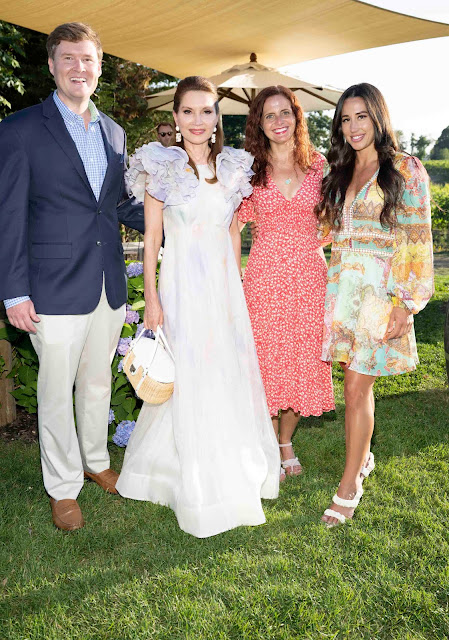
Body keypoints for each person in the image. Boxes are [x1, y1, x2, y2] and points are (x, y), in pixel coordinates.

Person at [116, 76, 280, 538]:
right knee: (188, 372)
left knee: (223, 368)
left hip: (222, 286)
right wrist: (151, 298)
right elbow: (151, 240)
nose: (197, 120)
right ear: (175, 117)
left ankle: (228, 459)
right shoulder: (161, 166)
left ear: (216, 117)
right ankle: (185, 471)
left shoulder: (232, 167)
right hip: (181, 285)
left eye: (206, 111)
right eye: (188, 111)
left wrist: (237, 285)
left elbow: (233, 232)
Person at [0, 22, 144, 531]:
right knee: (57, 391)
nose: (78, 68)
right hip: (51, 288)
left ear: (99, 67)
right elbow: (8, 216)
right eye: (68, 58)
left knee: (97, 380)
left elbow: (117, 205)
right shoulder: (18, 130)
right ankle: (62, 486)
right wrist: (13, 292)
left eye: (87, 59)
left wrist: (179, 214)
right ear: (51, 65)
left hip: (107, 283)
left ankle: (96, 461)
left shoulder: (114, 132)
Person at [315, 83, 433, 527]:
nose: (353, 127)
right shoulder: (342, 170)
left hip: (380, 292)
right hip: (344, 288)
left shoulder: (404, 168)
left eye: (361, 116)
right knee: (354, 383)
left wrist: (405, 302)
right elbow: (327, 232)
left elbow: (417, 236)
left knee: (354, 387)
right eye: (345, 119)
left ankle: (349, 485)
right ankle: (362, 457)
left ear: (378, 117)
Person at [238, 86, 335, 481]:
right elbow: (231, 224)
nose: (279, 121)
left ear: (297, 117)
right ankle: (265, 441)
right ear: (259, 124)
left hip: (310, 279)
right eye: (269, 115)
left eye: (285, 112)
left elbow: (335, 220)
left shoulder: (319, 165)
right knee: (264, 361)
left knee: (302, 359)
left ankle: (285, 442)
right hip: (263, 279)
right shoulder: (249, 171)